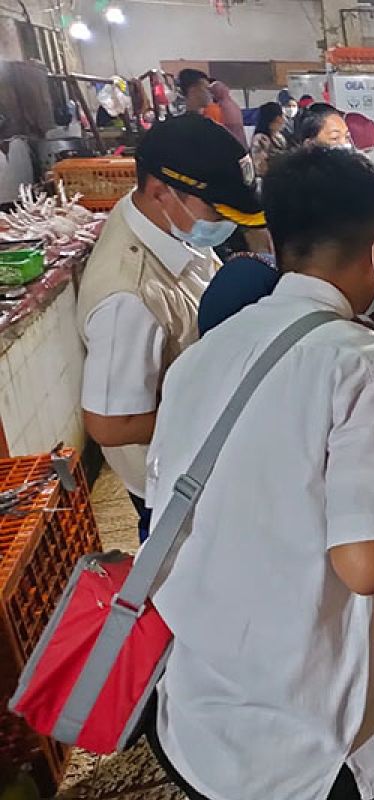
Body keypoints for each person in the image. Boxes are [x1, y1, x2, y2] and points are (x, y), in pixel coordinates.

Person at [142, 145, 374, 800]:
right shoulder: (369, 364)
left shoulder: (204, 356)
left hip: (199, 717)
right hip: (307, 747)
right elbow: (371, 565)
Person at [77, 115, 262, 543]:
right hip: (171, 480)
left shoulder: (167, 223)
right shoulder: (129, 297)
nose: (224, 222)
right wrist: (215, 417)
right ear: (161, 191)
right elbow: (109, 424)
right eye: (217, 210)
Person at [250, 101, 289, 175]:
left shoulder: (279, 137)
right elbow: (259, 167)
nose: (284, 120)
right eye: (281, 116)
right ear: (274, 119)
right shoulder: (260, 139)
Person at [207, 81, 247, 147]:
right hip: (239, 144)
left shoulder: (222, 107)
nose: (212, 95)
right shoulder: (233, 104)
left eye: (213, 92)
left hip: (231, 144)